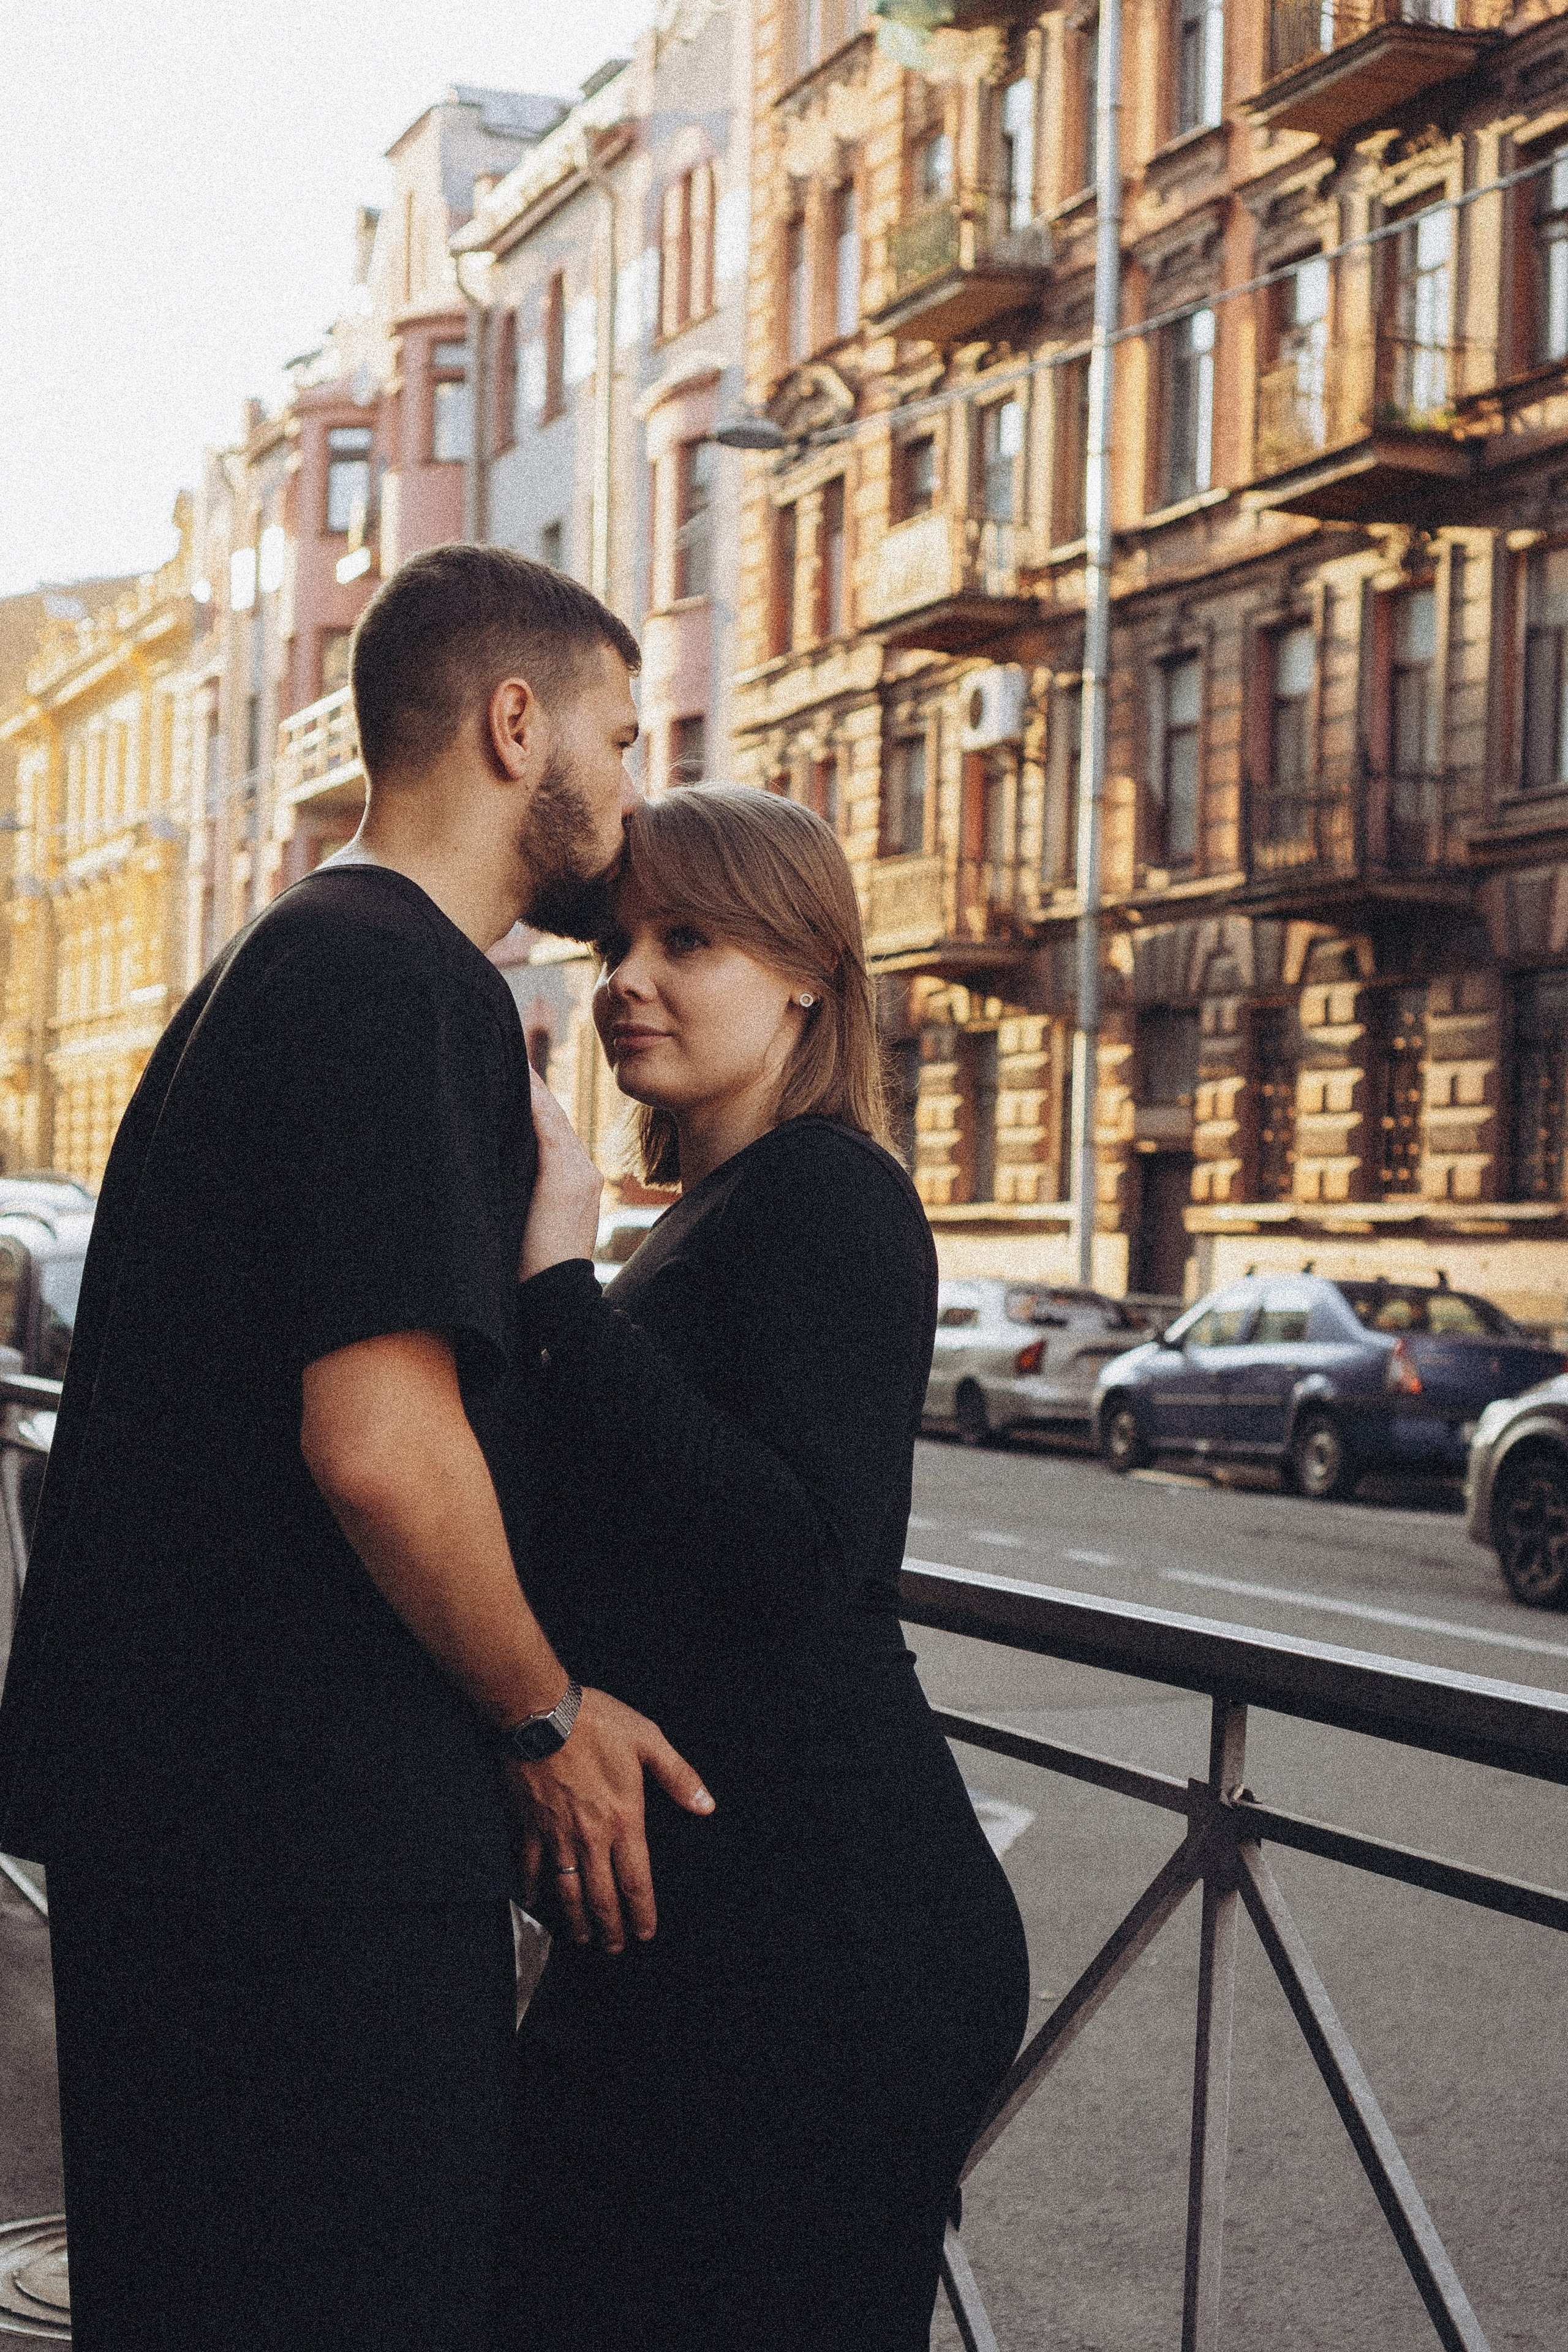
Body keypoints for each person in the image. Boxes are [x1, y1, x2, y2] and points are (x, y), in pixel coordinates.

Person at [0, 545, 712, 2352]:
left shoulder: (285, 959)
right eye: (622, 741)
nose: (632, 797)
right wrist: (545, 1715)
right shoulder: (402, 985)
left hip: (196, 1827)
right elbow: (383, 1442)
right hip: (303, 1856)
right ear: (514, 721)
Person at [495, 783, 1031, 2351]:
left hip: (826, 1956)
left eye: (688, 939)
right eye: (613, 943)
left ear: (803, 969)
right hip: (709, 1944)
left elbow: (802, 1558)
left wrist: (554, 1291)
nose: (627, 979)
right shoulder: (713, 1212)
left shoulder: (829, 1193)